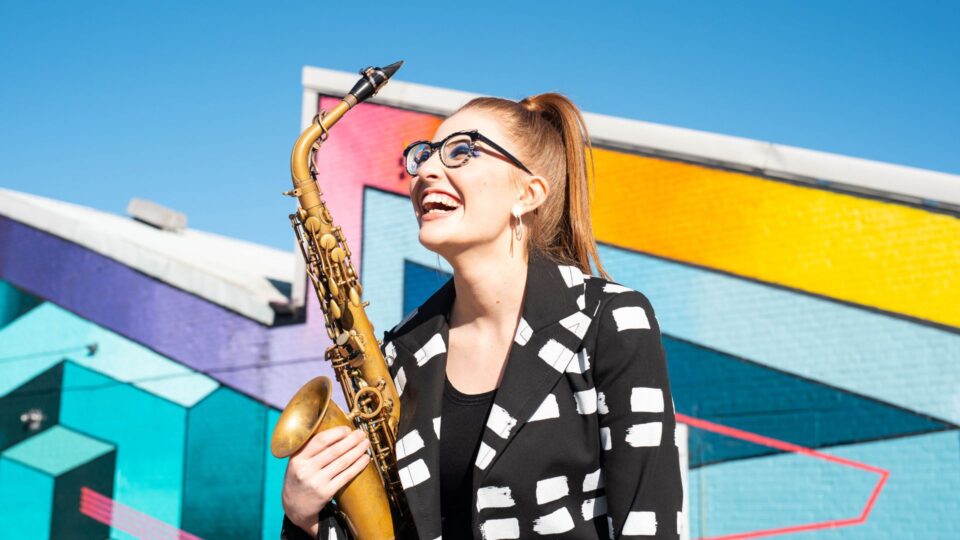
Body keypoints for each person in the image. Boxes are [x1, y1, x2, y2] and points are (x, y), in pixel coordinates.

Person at [281, 93, 683, 539]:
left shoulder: (611, 320)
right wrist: (306, 519)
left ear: (528, 194)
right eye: (424, 155)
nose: (427, 170)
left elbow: (650, 522)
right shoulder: (398, 354)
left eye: (461, 151)